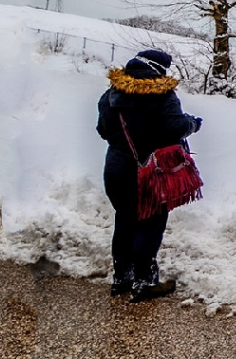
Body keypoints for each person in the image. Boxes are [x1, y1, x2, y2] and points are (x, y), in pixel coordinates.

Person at [96, 49, 202, 301]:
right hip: (151, 170)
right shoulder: (164, 95)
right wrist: (193, 123)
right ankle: (144, 280)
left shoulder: (111, 93)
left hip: (116, 168)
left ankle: (122, 276)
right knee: (150, 222)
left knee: (124, 218)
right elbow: (176, 128)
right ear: (159, 70)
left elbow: (102, 130)